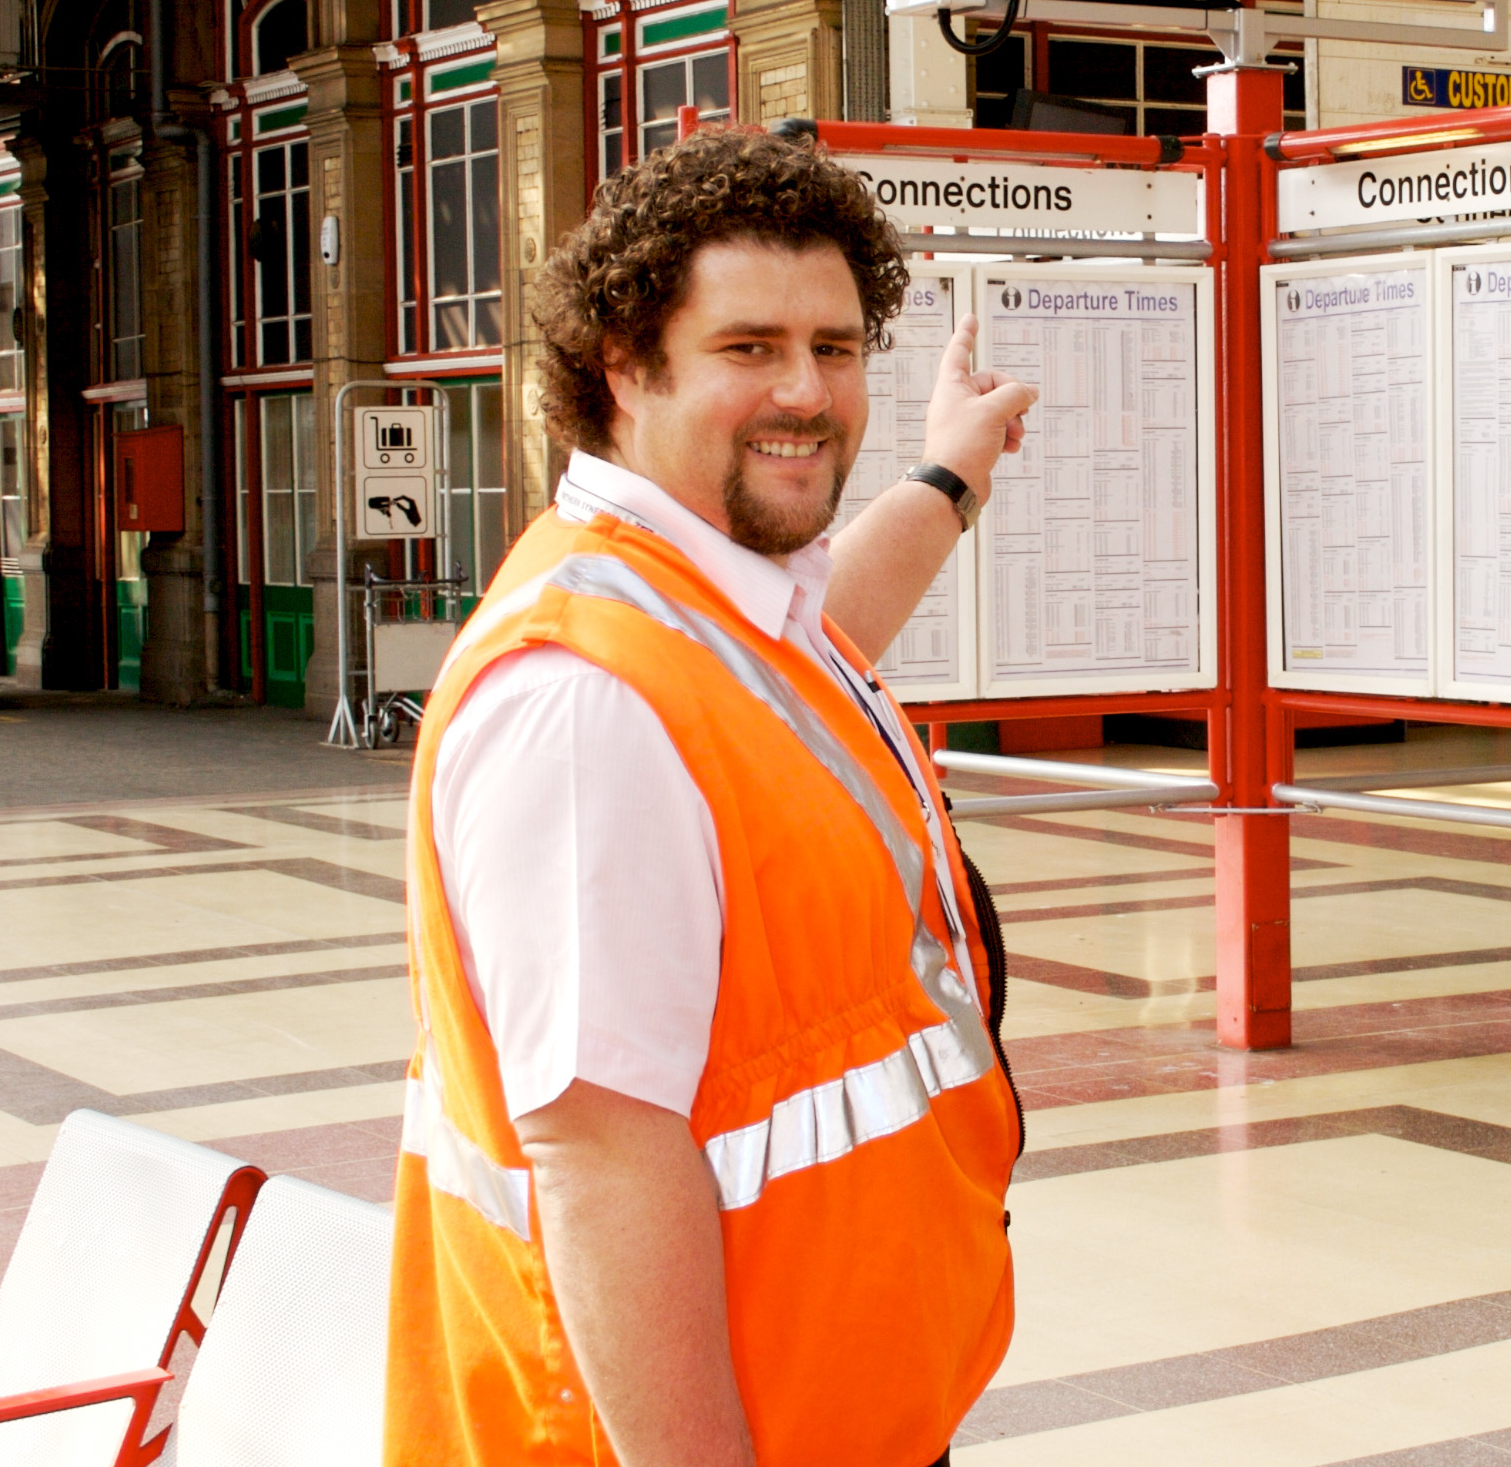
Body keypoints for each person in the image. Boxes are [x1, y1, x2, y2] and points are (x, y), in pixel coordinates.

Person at [386, 127, 1038, 1467]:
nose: (806, 390)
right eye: (750, 348)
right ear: (624, 367)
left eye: (836, 348)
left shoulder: (703, 606)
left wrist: (951, 475)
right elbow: (601, 1156)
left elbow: (819, 636)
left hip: (838, 1412)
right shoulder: (585, 700)